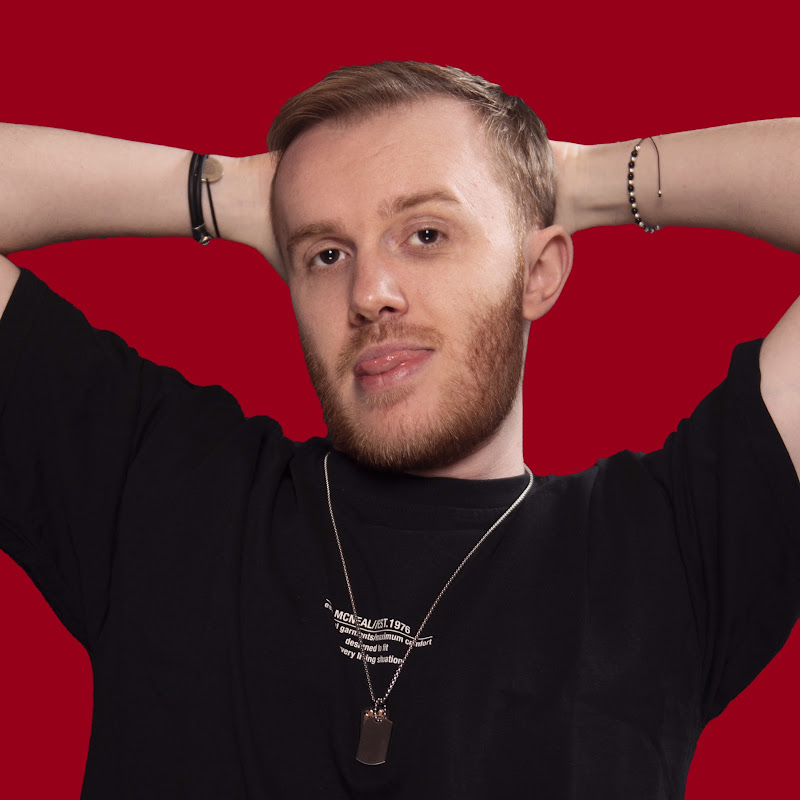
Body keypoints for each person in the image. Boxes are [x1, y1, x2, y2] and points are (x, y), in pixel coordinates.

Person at [0, 61, 798, 799]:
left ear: (538, 272)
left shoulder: (667, 548)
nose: (370, 291)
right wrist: (229, 192)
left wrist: (582, 179)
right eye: (326, 253)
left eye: (426, 234)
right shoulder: (162, 487)